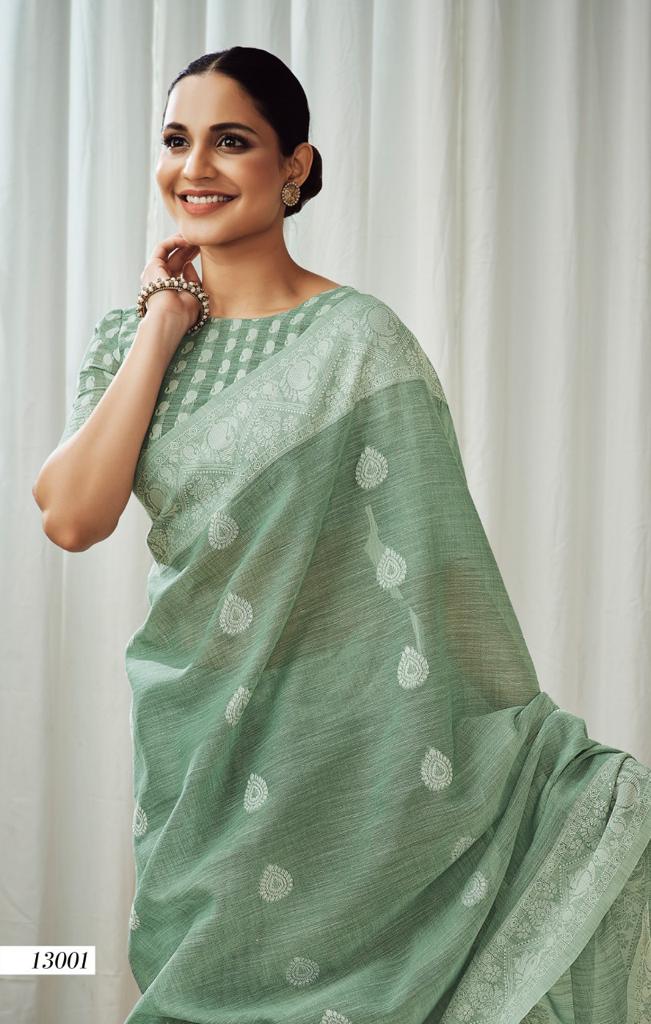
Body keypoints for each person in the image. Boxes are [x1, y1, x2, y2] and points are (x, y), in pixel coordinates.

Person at [33, 46, 651, 1024]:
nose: (194, 167)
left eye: (231, 141)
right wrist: (162, 323)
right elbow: (72, 513)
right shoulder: (132, 338)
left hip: (334, 748)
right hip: (195, 731)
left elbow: (432, 574)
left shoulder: (359, 339)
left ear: (294, 167)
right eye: (176, 140)